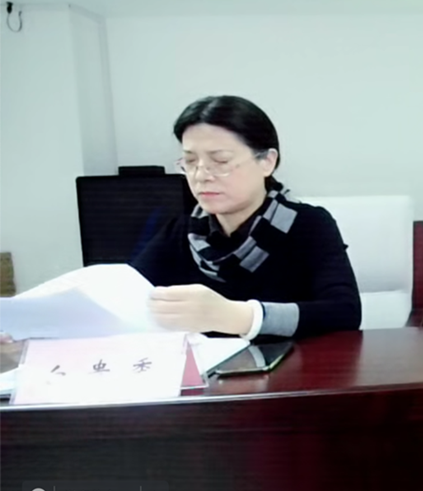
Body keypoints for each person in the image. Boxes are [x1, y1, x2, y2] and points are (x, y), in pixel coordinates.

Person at [131, 95, 362, 339]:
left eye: (220, 161)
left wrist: (239, 317)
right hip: (207, 364)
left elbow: (344, 313)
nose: (200, 175)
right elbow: (128, 295)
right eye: (190, 161)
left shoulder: (309, 225)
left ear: (266, 162)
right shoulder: (181, 231)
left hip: (292, 362)